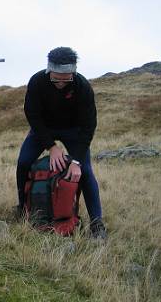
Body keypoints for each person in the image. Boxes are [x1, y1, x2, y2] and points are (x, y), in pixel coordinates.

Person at [15, 47, 107, 239]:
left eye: (66, 79)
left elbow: (89, 126)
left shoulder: (82, 87)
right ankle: (23, 207)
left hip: (74, 131)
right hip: (44, 129)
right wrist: (51, 146)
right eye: (56, 78)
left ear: (73, 73)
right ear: (49, 70)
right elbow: (32, 115)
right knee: (24, 162)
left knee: (86, 172)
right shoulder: (37, 82)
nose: (60, 83)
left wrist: (75, 161)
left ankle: (97, 222)